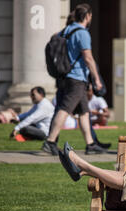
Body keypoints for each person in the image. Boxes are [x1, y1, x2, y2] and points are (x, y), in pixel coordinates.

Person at [42, 3, 105, 155]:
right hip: (76, 78)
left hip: (66, 77)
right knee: (64, 109)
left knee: (84, 112)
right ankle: (50, 141)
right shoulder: (82, 33)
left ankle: (90, 144)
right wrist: (96, 79)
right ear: (88, 16)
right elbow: (88, 57)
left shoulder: (66, 30)